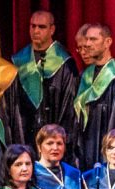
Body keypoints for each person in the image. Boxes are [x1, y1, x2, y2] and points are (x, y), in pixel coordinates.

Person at [73, 24, 115, 168]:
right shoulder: (85, 75)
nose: (88, 44)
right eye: (87, 40)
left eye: (93, 39)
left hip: (108, 153)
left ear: (108, 42)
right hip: (86, 150)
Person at [10, 10, 79, 145]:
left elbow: (69, 110)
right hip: (25, 137)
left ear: (52, 29)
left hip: (54, 140)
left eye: (41, 27)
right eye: (33, 26)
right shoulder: (19, 61)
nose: (36, 31)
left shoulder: (64, 63)